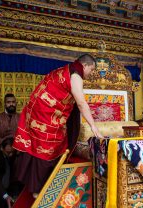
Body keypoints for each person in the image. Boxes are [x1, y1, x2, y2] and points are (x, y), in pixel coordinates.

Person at [13, 54, 103, 195]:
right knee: (47, 147)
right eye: (91, 70)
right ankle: (38, 189)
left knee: (55, 142)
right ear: (84, 65)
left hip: (38, 110)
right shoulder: (75, 76)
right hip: (45, 114)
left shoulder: (66, 69)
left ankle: (42, 184)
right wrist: (93, 126)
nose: (90, 74)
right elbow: (81, 103)